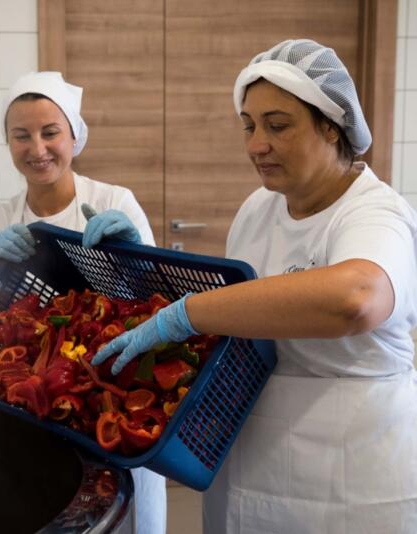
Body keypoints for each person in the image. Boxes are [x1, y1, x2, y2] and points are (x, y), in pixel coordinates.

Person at [92, 39, 417, 533]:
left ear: (332, 125)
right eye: (249, 126)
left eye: (277, 126)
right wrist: (143, 270)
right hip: (251, 467)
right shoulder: (258, 210)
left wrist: (190, 311)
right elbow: (243, 314)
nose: (255, 144)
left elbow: (357, 298)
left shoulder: (374, 213)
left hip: (350, 475)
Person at [0, 71, 166, 534]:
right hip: (41, 401)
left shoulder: (113, 200)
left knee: (130, 519)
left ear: (75, 137)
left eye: (50, 132)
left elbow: (156, 300)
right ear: (8, 143)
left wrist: (133, 248)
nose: (37, 148)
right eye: (21, 136)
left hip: (116, 390)